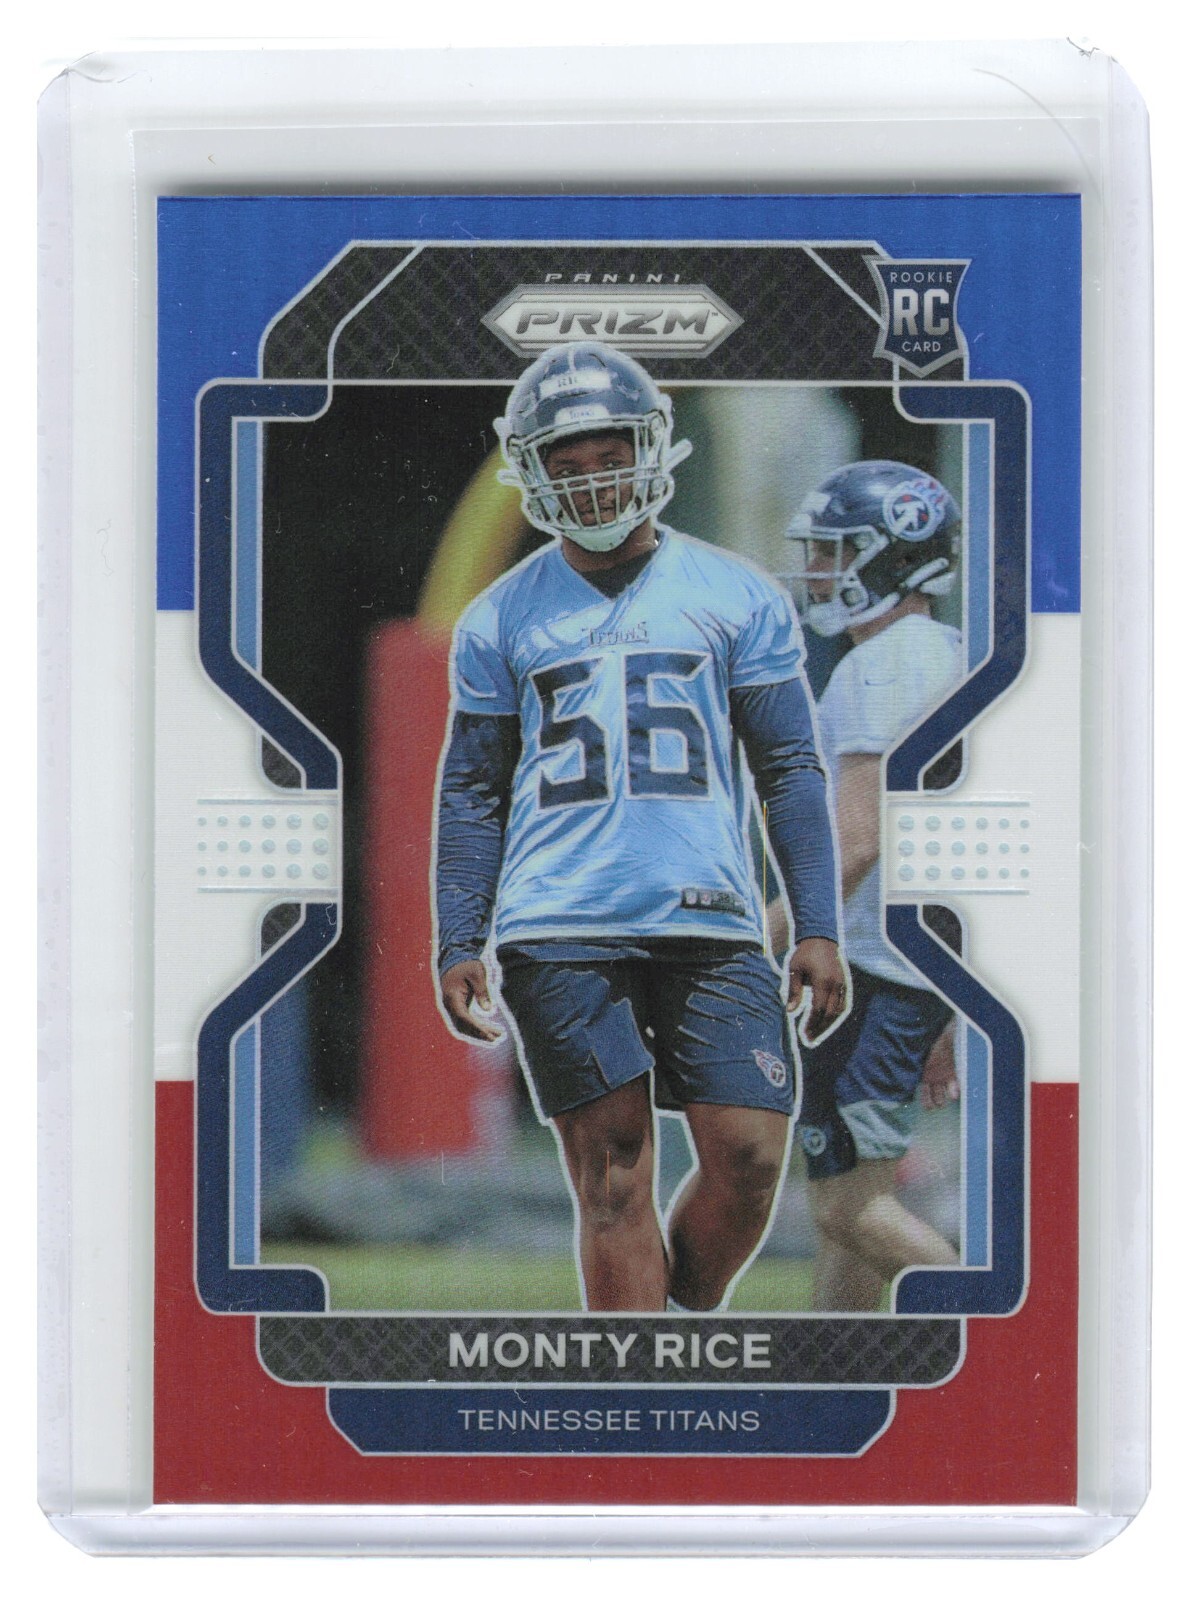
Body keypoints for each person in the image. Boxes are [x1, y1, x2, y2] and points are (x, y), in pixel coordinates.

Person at [433, 341, 848, 1313]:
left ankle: (674, 1330)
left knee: (750, 1157)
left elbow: (789, 767)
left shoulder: (737, 592)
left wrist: (817, 923)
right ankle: (638, 1374)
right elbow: (472, 790)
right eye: (567, 464)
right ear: (533, 471)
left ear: (651, 451)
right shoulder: (499, 616)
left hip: (710, 914)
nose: (591, 482)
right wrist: (458, 935)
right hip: (558, 921)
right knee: (614, 1175)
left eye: (608, 458)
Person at [779, 458, 964, 1311]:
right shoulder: (939, 653)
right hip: (908, 966)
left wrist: (755, 938)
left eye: (835, 550)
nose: (818, 569)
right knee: (850, 1215)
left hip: (875, 972)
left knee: (847, 1207)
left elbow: (857, 841)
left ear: (894, 553)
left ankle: (999, 1335)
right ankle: (830, 1373)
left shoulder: (883, 665)